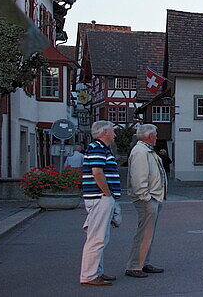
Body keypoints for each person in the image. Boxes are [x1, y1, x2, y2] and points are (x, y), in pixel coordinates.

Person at [80, 120, 121, 287]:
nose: (115, 134)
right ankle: (90, 275)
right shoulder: (97, 148)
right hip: (99, 198)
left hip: (99, 197)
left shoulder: (99, 148)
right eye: (112, 131)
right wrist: (107, 194)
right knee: (97, 238)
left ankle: (96, 271)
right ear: (104, 133)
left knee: (100, 237)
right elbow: (97, 172)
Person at [125, 124, 166, 279]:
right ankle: (135, 266)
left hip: (153, 197)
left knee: (148, 233)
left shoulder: (145, 150)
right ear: (149, 136)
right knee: (144, 234)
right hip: (147, 199)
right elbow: (138, 177)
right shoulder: (141, 152)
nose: (156, 136)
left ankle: (143, 262)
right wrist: (145, 197)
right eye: (155, 134)